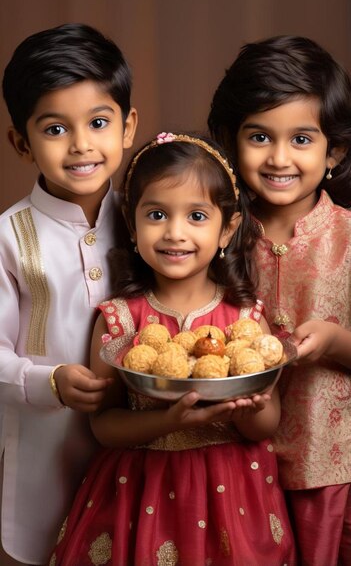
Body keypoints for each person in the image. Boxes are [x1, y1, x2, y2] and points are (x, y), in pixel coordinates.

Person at [48, 132, 296, 566]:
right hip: (140, 493)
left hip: (234, 494)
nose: (174, 233)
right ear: (132, 224)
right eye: (157, 214)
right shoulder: (118, 319)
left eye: (197, 215)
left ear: (227, 229)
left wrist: (251, 405)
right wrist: (168, 420)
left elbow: (267, 424)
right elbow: (103, 426)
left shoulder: (245, 319)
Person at [208, 35, 351, 565]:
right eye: (260, 137)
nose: (279, 157)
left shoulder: (348, 239)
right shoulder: (212, 237)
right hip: (230, 468)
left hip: (328, 470)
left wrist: (336, 341)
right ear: (230, 139)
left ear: (333, 148)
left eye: (301, 139)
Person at [0, 23, 137, 566]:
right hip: (47, 447)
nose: (82, 145)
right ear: (20, 142)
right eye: (55, 129)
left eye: (99, 123)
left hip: (141, 440)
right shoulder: (9, 237)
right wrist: (48, 381)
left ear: (129, 128)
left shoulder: (150, 220)